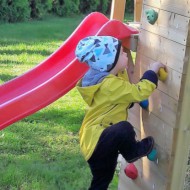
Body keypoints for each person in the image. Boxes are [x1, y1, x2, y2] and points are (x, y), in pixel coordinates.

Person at [75, 36, 165, 190]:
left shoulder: (109, 76)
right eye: (122, 53)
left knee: (102, 182)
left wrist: (129, 101)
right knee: (124, 128)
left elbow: (119, 98)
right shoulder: (109, 84)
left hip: (96, 145)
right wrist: (152, 71)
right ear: (109, 62)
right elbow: (138, 91)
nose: (126, 55)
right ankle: (133, 151)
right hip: (98, 141)